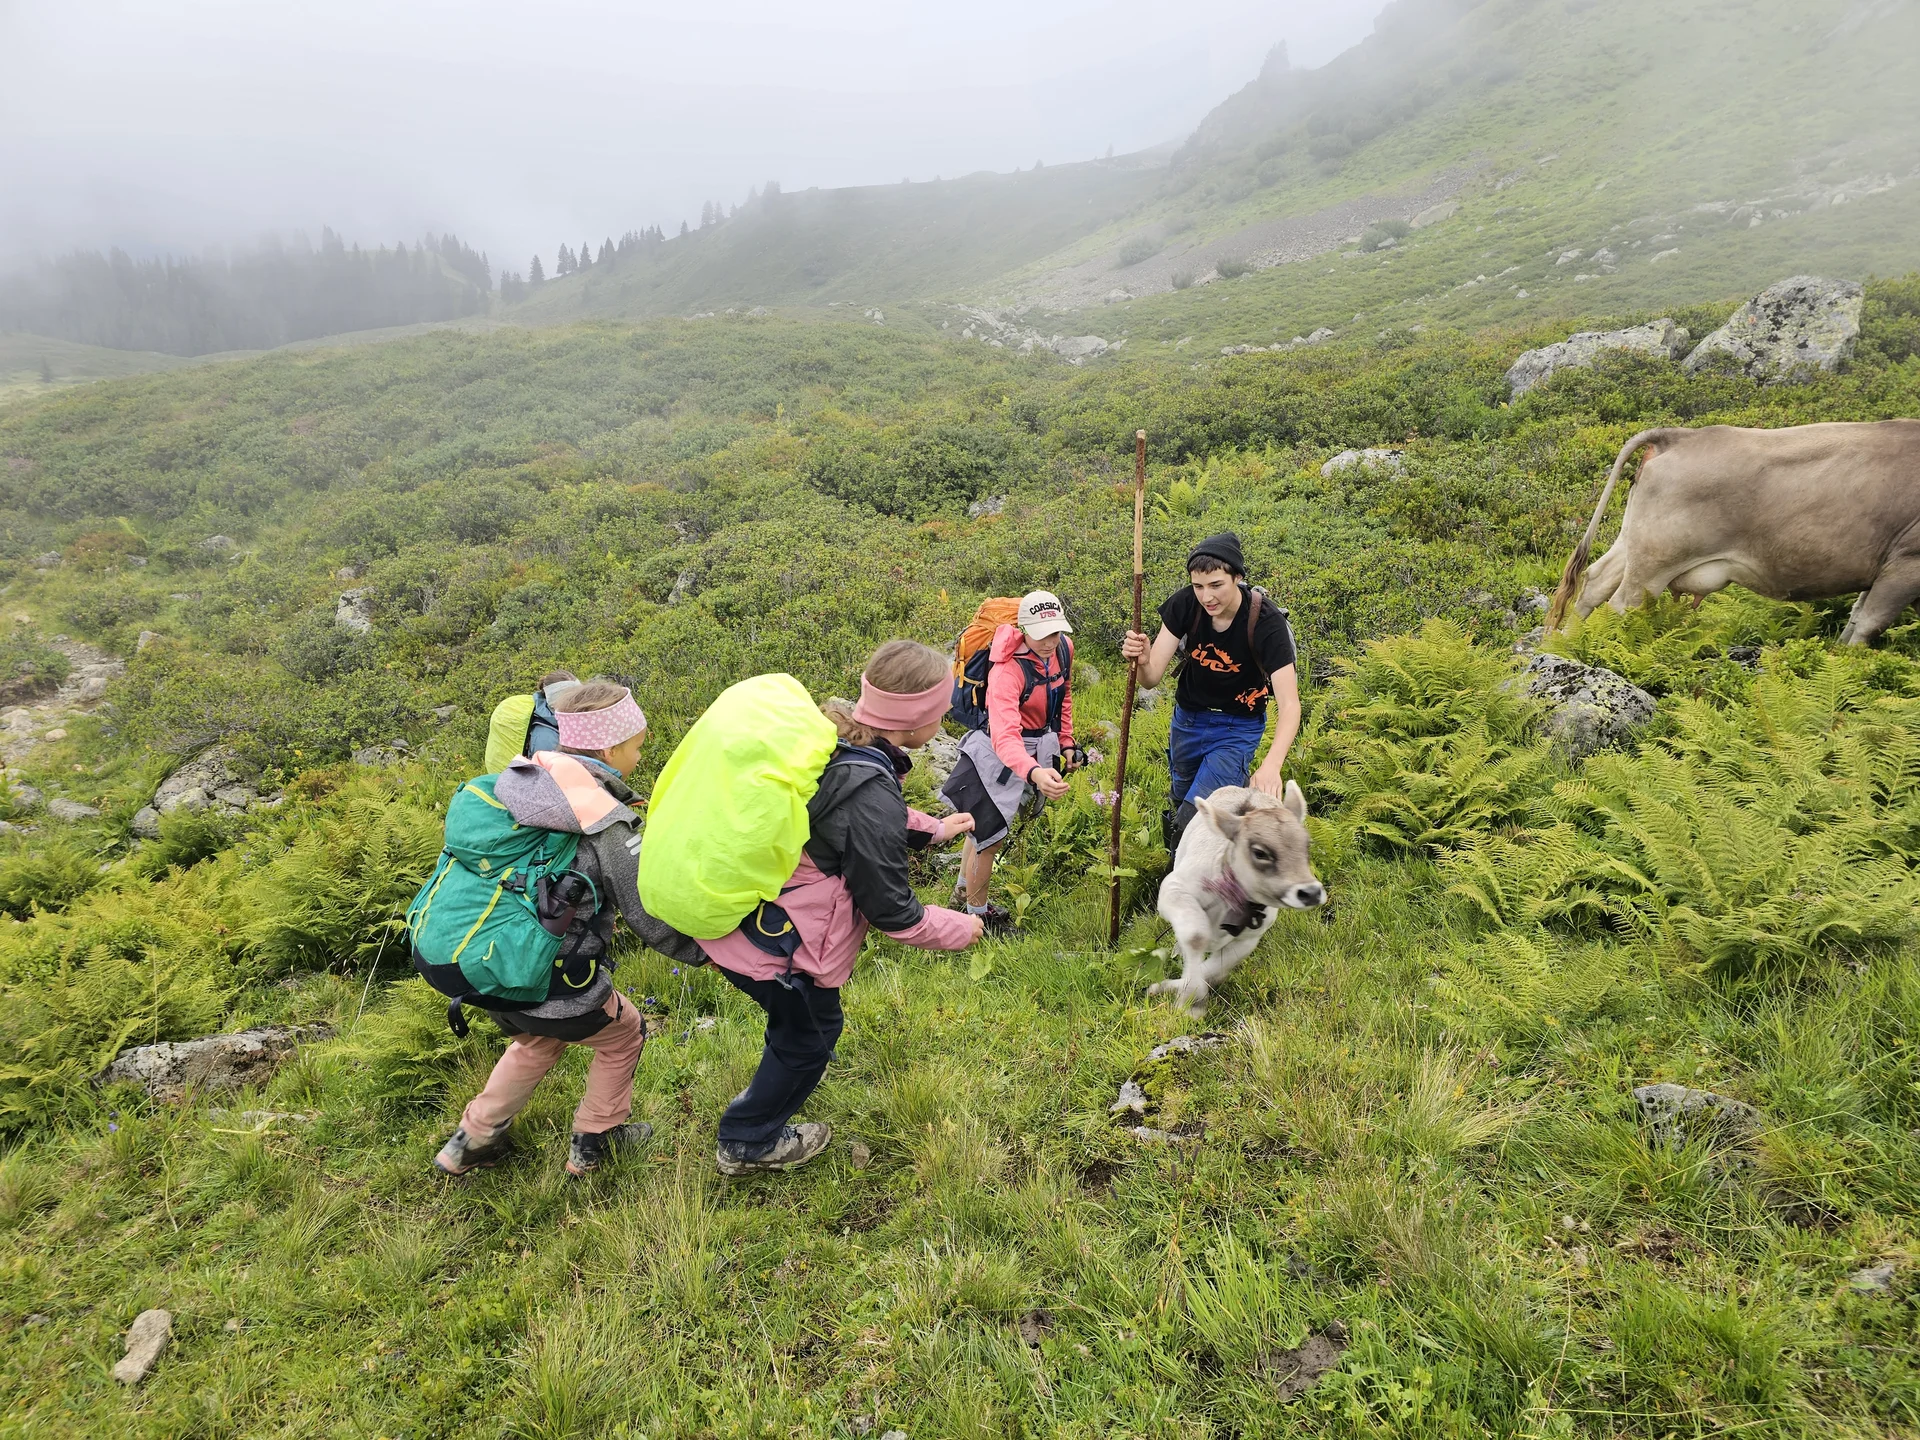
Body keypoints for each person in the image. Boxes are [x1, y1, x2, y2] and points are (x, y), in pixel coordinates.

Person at [698, 640, 983, 1176]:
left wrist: (934, 828)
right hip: (782, 949)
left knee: (796, 1030)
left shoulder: (831, 742)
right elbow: (893, 911)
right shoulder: (868, 785)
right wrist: (959, 927)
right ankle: (746, 1140)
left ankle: (763, 1096)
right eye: (942, 707)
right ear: (916, 717)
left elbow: (847, 818)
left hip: (747, 921)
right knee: (809, 1039)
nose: (947, 714)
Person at [429, 679, 696, 1178]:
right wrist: (708, 951)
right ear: (611, 747)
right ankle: (596, 1141)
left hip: (480, 967)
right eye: (637, 747)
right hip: (547, 975)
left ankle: (471, 1140)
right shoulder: (603, 820)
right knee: (624, 1034)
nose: (640, 756)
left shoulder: (516, 781)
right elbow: (649, 918)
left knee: (537, 1039)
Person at [1119, 533, 1300, 852]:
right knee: (1181, 803)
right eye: (1199, 586)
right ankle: (1208, 853)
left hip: (1238, 728)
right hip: (1187, 721)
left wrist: (1272, 764)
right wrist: (1143, 660)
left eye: (1216, 585)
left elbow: (1290, 705)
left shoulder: (1265, 622)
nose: (1207, 596)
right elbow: (1150, 679)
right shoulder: (1185, 604)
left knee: (1195, 817)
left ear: (1238, 578)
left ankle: (1173, 886)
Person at [941, 590, 1082, 933]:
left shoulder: (1064, 649)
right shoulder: (1006, 670)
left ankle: (963, 890)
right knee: (989, 836)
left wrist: (1067, 743)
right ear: (1024, 629)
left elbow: (1063, 697)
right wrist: (1034, 772)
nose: (1051, 641)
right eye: (1042, 633)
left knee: (979, 831)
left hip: (1034, 747)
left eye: (1056, 631)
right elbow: (1005, 736)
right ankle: (977, 916)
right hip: (995, 756)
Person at [482, 669, 581, 774]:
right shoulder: (546, 738)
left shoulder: (553, 715)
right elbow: (554, 777)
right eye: (574, 699)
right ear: (557, 701)